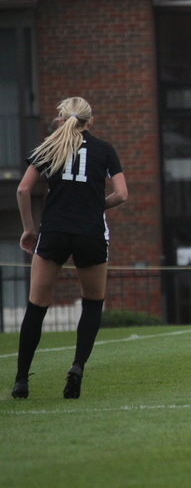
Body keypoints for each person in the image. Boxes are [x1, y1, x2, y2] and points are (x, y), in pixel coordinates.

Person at [11, 97, 128, 399]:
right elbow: (122, 194)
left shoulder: (50, 146)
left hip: (55, 231)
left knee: (37, 306)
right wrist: (95, 205)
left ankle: (21, 379)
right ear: (92, 121)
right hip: (90, 232)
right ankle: (77, 366)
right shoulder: (105, 149)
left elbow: (23, 189)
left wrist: (28, 229)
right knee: (92, 303)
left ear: (61, 120)